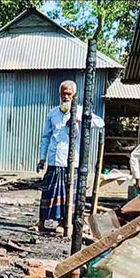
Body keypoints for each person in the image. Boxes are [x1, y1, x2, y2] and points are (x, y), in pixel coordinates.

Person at [37, 80, 105, 232]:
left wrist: (81, 119)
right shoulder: (53, 113)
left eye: (69, 94)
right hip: (55, 159)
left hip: (72, 161)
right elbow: (46, 137)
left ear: (75, 96)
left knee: (69, 194)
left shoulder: (81, 112)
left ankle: (64, 222)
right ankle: (42, 222)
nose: (66, 97)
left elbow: (100, 123)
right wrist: (42, 158)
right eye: (63, 94)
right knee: (49, 191)